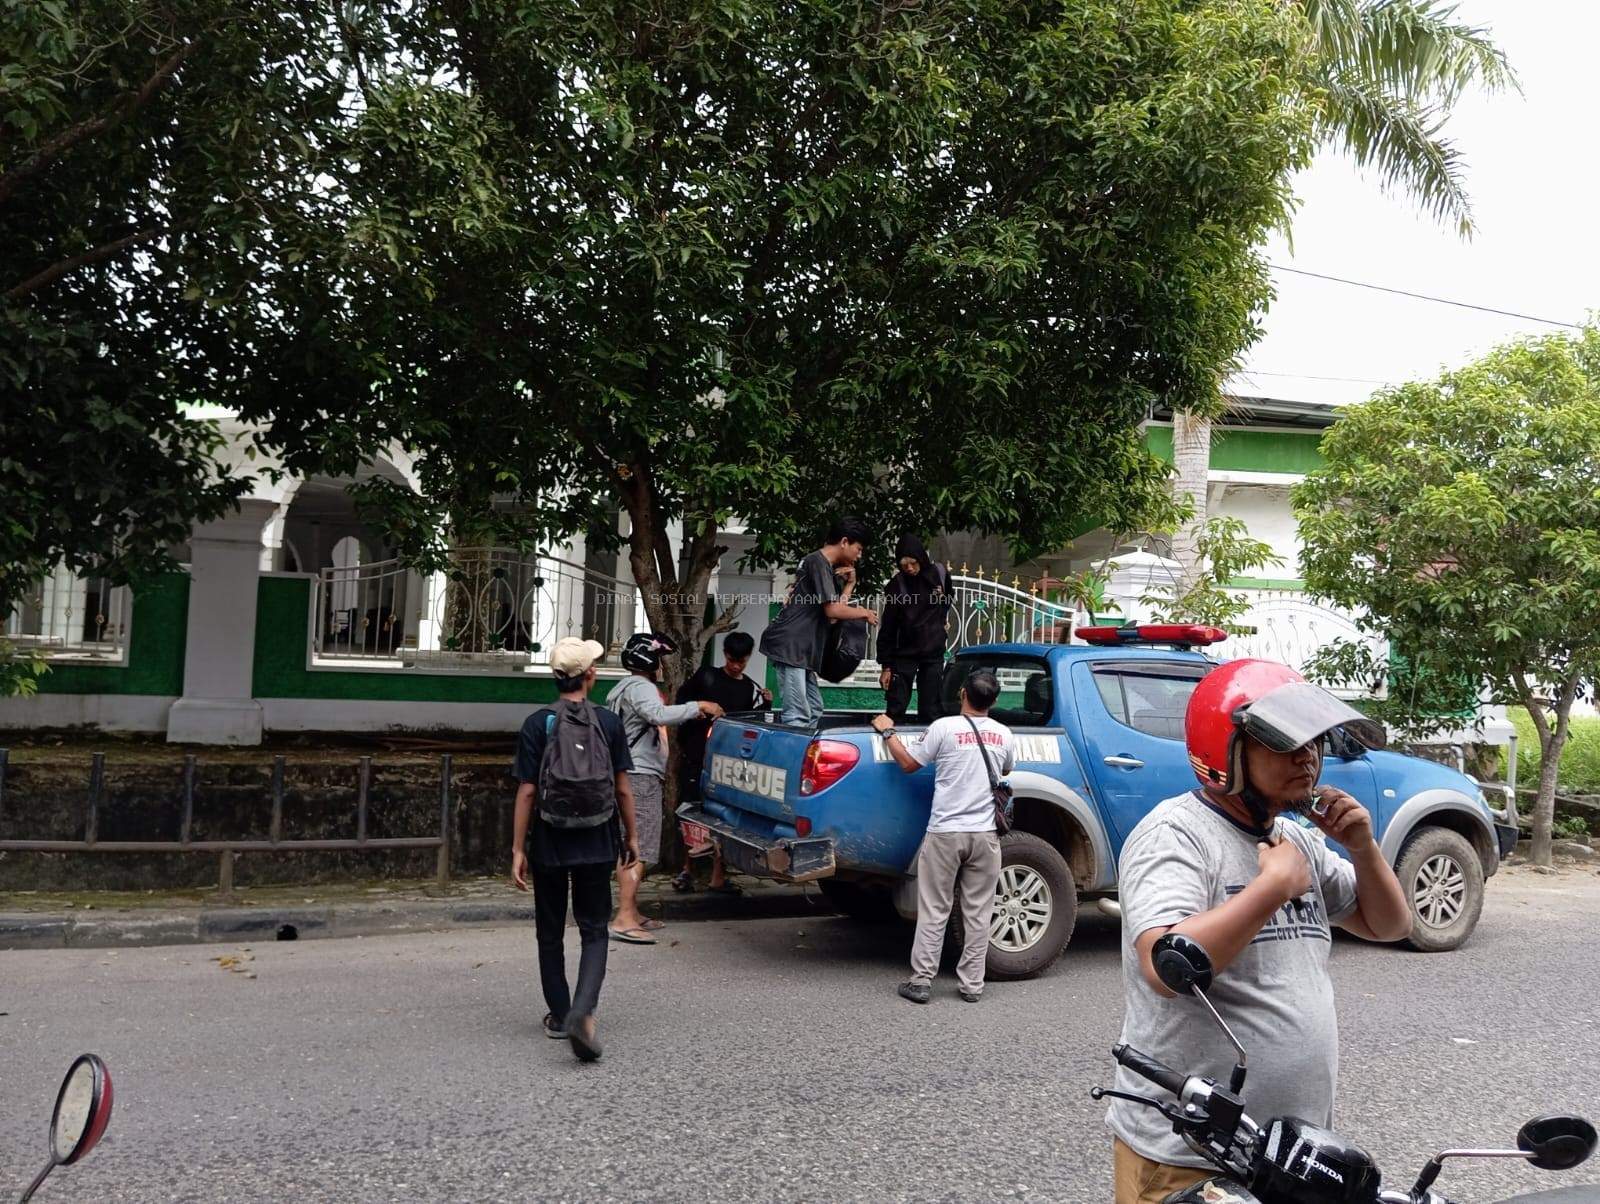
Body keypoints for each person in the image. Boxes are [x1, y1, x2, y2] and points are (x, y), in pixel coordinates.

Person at [1106, 659, 1412, 1203]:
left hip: (1292, 1155)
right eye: (1286, 743)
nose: (1308, 757)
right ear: (1227, 753)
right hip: (1190, 1152)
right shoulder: (1175, 835)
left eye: (1314, 742)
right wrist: (1271, 888)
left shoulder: (1301, 841)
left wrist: (1362, 847)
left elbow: (1388, 925)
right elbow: (1163, 966)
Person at [510, 636, 641, 1063]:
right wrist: (632, 837)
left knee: (549, 931)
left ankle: (560, 1013)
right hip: (598, 838)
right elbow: (623, 788)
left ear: (555, 676)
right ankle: (584, 1010)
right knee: (594, 929)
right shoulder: (609, 723)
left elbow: (528, 792)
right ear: (590, 675)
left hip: (549, 841)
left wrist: (517, 848)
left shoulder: (537, 724)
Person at [871, 667, 1013, 1004]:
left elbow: (908, 763)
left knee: (935, 909)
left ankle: (921, 982)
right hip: (985, 836)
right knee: (978, 913)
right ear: (993, 701)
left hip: (946, 833)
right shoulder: (1004, 734)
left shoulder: (943, 728)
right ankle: (972, 986)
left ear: (963, 693)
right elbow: (1006, 769)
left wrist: (888, 730)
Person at [605, 631, 723, 944]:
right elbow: (656, 715)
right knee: (639, 846)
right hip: (639, 776)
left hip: (631, 774)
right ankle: (624, 918)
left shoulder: (621, 688)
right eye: (659, 658)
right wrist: (699, 705)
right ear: (650, 660)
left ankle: (631, 910)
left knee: (634, 845)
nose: (661, 665)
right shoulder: (641, 687)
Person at [672, 630, 772, 894]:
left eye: (742, 660)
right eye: (732, 658)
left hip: (728, 764)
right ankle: (686, 871)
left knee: (723, 818)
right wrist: (701, 710)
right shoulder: (707, 676)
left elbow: (750, 724)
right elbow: (681, 703)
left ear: (749, 657)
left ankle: (717, 875)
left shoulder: (749, 687)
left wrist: (766, 706)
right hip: (696, 756)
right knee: (692, 810)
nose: (736, 664)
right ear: (724, 653)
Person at [759, 517, 879, 727]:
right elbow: (833, 609)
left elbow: (833, 615)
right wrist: (863, 613)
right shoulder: (818, 562)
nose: (859, 556)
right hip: (792, 645)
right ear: (844, 542)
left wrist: (850, 585)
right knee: (797, 715)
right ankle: (793, 758)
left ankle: (804, 753)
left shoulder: (824, 567)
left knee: (814, 709)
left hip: (803, 648)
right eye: (858, 549)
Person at [877, 534, 951, 724]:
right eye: (904, 565)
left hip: (933, 653)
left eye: (913, 563)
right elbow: (889, 627)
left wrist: (941, 619)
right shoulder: (897, 586)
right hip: (904, 653)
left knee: (931, 709)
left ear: (921, 558)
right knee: (896, 706)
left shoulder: (939, 574)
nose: (909, 568)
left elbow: (948, 598)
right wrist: (886, 665)